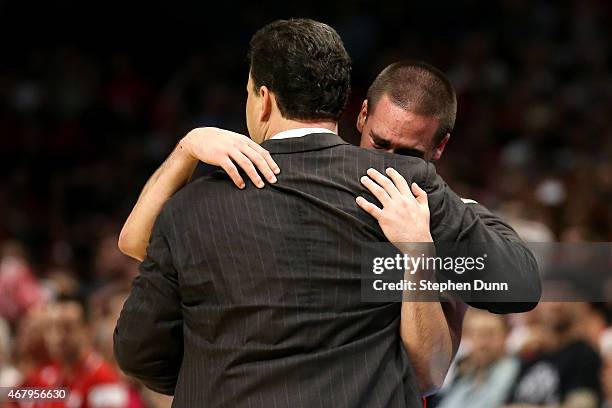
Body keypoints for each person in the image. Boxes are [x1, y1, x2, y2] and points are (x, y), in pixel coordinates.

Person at [114, 19, 539, 407]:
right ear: (355, 111)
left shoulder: (193, 205)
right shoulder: (408, 197)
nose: (390, 160)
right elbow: (521, 284)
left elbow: (139, 352)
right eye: (382, 143)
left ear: (263, 100)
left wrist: (214, 373)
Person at [431, 310, 520, 408]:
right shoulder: (463, 372)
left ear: (507, 335)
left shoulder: (518, 372)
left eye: (490, 334)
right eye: (475, 334)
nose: (482, 343)